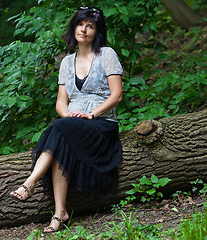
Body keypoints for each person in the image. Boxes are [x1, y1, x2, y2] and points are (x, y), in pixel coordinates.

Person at [10, 6, 123, 233]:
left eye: (90, 26)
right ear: (74, 28)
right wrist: (69, 115)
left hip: (101, 123)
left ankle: (30, 182)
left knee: (59, 129)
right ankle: (59, 213)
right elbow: (61, 102)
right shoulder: (65, 62)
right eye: (80, 24)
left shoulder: (107, 55)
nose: (84, 29)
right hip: (73, 122)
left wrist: (92, 114)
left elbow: (117, 95)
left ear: (97, 32)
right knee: (61, 132)